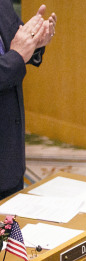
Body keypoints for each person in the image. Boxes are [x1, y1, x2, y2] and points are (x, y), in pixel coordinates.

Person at [0, 2, 57, 200]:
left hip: (9, 151)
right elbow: (15, 55)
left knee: (11, 224)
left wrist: (35, 42)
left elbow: (16, 43)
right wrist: (17, 56)